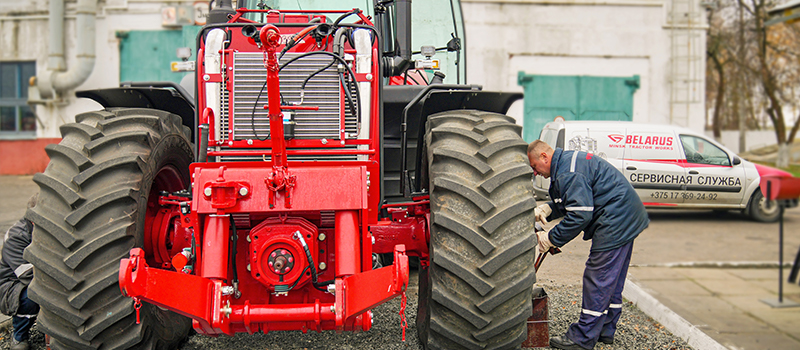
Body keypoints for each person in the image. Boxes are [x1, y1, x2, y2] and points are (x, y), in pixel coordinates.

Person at [527, 140, 649, 350]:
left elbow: (580, 215)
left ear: (544, 157)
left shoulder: (568, 172)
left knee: (598, 277)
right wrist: (547, 209)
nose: (535, 173)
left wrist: (550, 238)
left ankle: (582, 339)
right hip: (627, 215)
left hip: (615, 219)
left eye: (534, 166)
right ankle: (605, 330)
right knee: (612, 279)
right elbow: (573, 200)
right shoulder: (567, 163)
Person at [0, 194, 40, 350]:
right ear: (33, 219)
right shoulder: (16, 236)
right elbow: (27, 275)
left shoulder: (44, 232)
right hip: (12, 286)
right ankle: (19, 336)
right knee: (31, 297)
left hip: (38, 278)